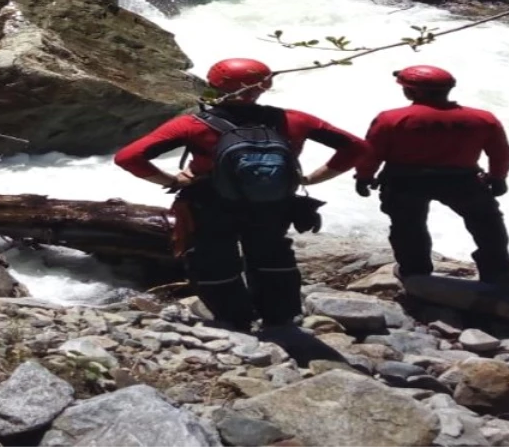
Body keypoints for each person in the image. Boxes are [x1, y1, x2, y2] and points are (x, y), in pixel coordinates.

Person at [116, 57, 366, 332]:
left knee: (212, 257)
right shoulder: (293, 119)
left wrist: (173, 180)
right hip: (274, 203)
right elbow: (357, 147)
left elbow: (128, 157)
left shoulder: (193, 125)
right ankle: (280, 317)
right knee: (271, 254)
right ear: (263, 87)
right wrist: (309, 178)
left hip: (209, 202)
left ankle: (234, 317)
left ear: (214, 86)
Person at [355, 65, 509, 284]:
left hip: (405, 181)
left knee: (408, 227)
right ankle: (498, 270)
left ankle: (415, 271)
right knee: (487, 223)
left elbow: (372, 152)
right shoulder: (482, 118)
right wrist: (498, 177)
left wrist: (364, 176)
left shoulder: (391, 118)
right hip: (463, 180)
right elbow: (501, 152)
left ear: (411, 92)